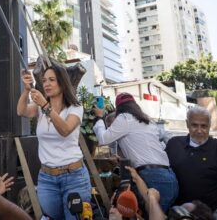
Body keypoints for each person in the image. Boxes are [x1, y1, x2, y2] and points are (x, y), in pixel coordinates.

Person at [16, 60, 91, 220]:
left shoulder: (75, 108)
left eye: (52, 80)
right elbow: (21, 111)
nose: (47, 84)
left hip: (74, 177)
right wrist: (26, 90)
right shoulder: (40, 109)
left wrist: (44, 105)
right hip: (47, 178)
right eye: (44, 80)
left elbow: (65, 129)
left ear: (62, 83)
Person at [92, 92, 179, 212]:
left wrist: (99, 117)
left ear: (118, 109)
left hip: (152, 178)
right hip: (169, 177)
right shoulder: (147, 120)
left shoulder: (124, 118)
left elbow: (103, 139)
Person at [165, 106, 217, 210]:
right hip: (182, 214)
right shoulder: (174, 145)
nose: (199, 131)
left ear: (209, 126)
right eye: (194, 125)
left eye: (204, 126)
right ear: (187, 124)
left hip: (213, 215)